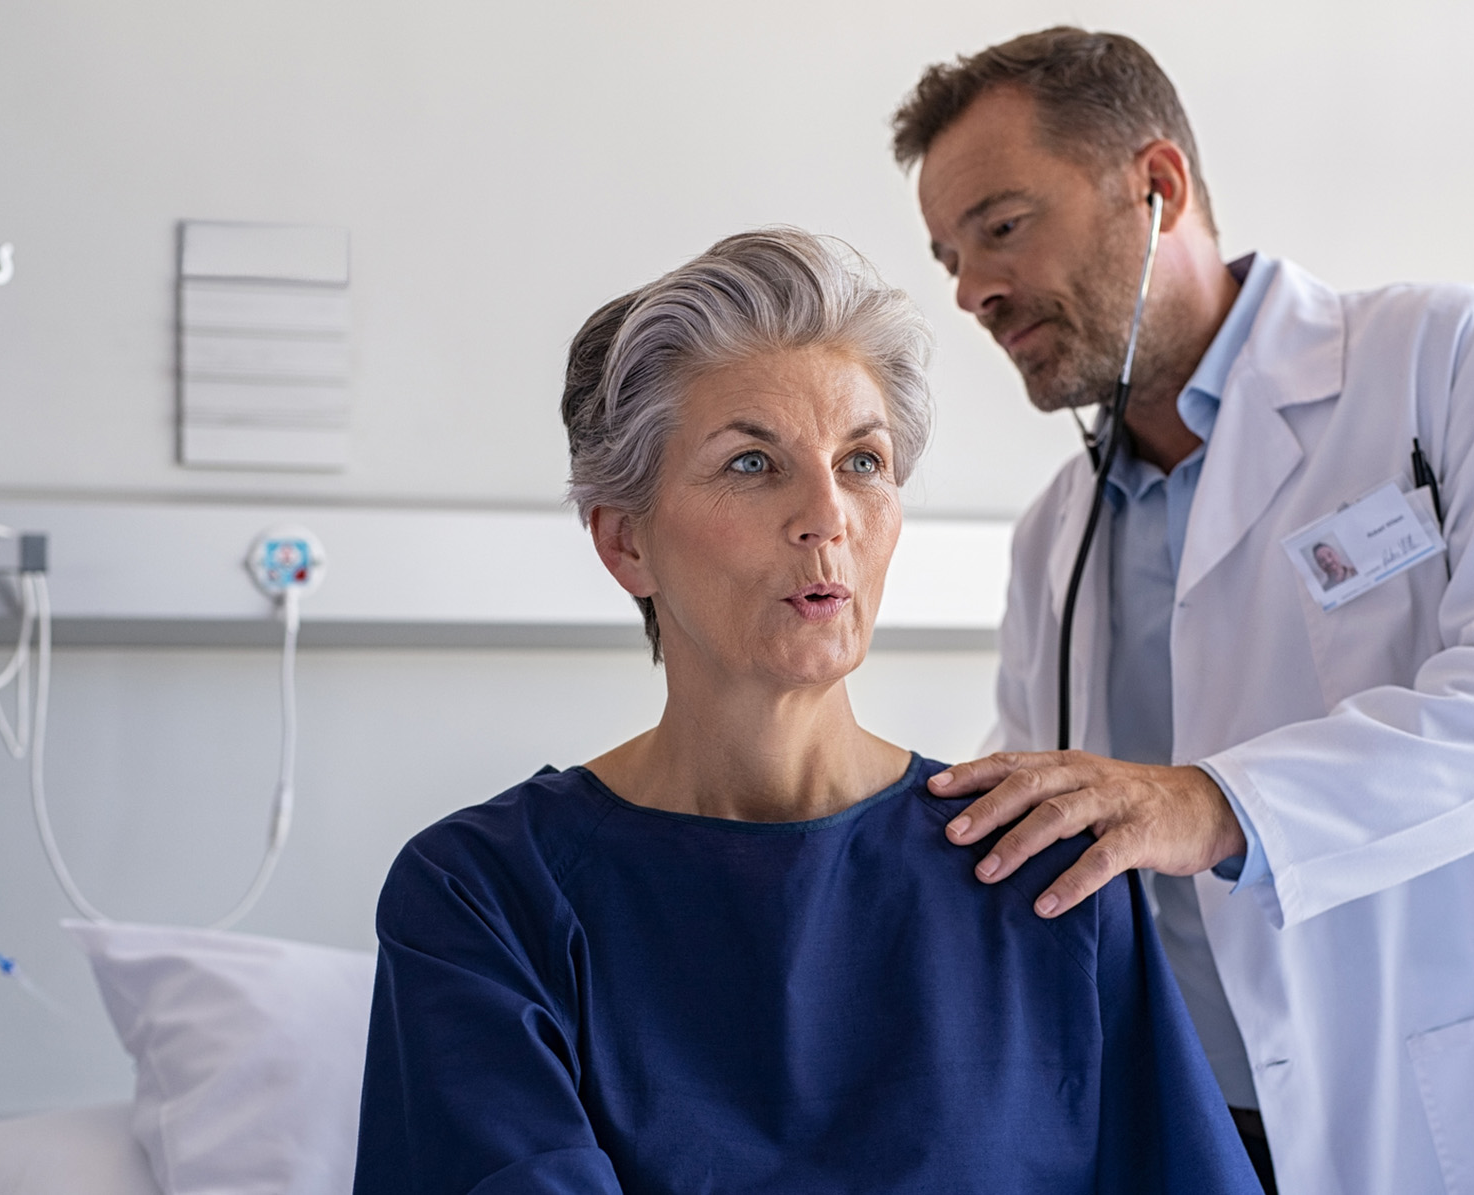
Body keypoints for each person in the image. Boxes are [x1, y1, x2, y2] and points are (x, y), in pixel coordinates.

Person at [891, 28, 1474, 1195]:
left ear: (1157, 183)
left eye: (1002, 224)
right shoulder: (1057, 535)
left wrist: (1217, 805)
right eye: (948, 256)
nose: (974, 289)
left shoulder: (1444, 359)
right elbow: (1059, 825)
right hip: (1204, 1133)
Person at [352, 229, 1260, 1194]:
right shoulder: (485, 897)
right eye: (751, 463)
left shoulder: (1046, 872)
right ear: (626, 545)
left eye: (862, 461)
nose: (826, 515)